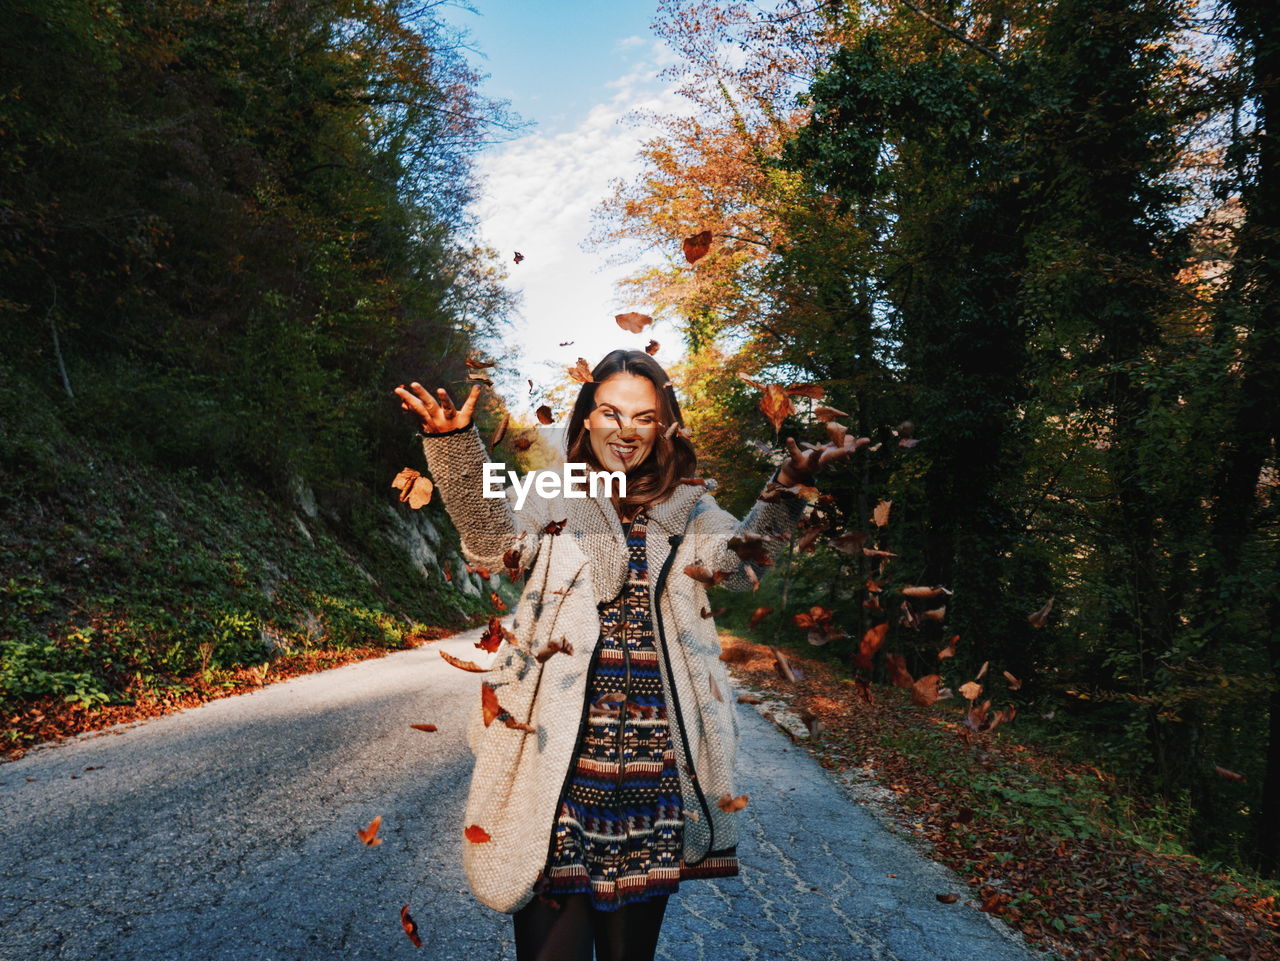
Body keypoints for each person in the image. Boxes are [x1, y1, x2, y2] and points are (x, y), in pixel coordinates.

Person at [394, 349, 849, 961]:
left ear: (665, 425)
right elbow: (492, 545)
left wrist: (787, 490)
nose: (626, 430)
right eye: (610, 413)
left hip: (654, 770)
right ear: (586, 420)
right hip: (557, 761)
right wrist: (454, 451)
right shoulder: (555, 491)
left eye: (644, 416)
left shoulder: (691, 504)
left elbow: (735, 567)